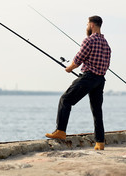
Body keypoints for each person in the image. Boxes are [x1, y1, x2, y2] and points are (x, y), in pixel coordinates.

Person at [45, 15, 111, 150]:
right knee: (97, 111)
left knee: (65, 99)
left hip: (89, 77)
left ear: (92, 25)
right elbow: (106, 64)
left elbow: (79, 58)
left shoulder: (89, 40)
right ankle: (100, 142)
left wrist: (69, 68)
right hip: (100, 80)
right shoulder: (106, 45)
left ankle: (61, 131)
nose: (87, 26)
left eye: (87, 24)